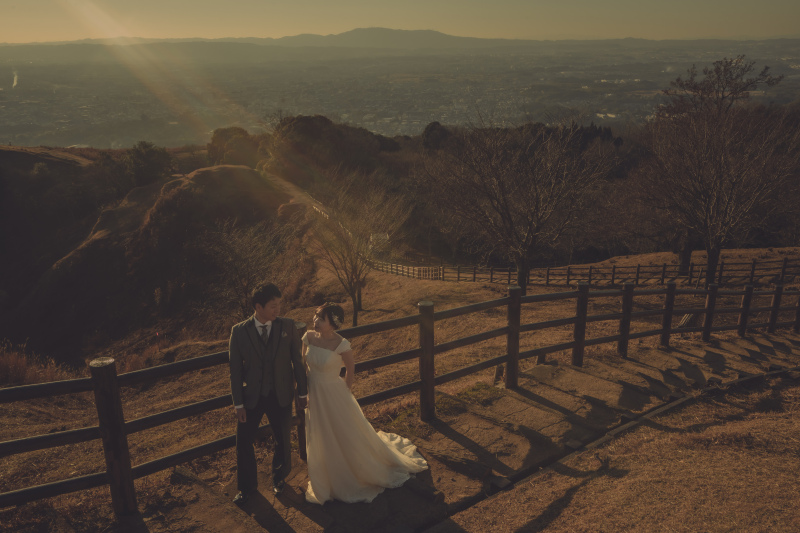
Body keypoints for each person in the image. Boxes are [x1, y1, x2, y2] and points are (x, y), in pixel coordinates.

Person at [302, 302, 428, 504]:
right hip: (314, 393)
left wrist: (345, 393)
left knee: (344, 432)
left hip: (334, 394)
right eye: (315, 316)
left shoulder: (341, 344)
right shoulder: (308, 337)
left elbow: (351, 370)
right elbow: (303, 366)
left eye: (321, 318)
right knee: (320, 432)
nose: (315, 321)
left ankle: (349, 472)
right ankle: (325, 472)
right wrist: (304, 393)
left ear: (332, 323)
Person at [229, 283, 308, 505]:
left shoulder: (288, 326)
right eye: (273, 306)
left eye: (279, 304)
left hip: (281, 394)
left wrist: (302, 391)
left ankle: (279, 479)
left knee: (283, 439)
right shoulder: (239, 332)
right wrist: (238, 404)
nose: (278, 310)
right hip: (251, 397)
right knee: (243, 441)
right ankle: (246, 487)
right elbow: (235, 371)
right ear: (258, 306)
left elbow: (297, 362)